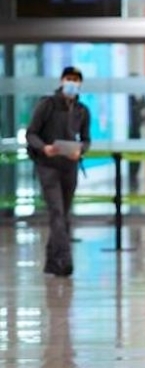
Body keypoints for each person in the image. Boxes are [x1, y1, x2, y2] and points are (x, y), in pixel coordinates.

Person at [26, 66, 91, 277]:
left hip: (69, 167)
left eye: (76, 80)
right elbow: (31, 133)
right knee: (56, 212)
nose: (72, 83)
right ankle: (65, 259)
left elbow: (86, 139)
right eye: (68, 79)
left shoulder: (82, 111)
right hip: (48, 166)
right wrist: (45, 148)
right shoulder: (47, 105)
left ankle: (51, 264)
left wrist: (80, 151)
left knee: (64, 215)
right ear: (62, 80)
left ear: (80, 84)